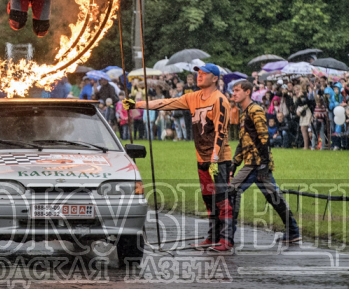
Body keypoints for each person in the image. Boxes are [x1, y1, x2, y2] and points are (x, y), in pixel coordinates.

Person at [125, 63, 233, 252]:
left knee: (222, 201)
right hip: (202, 159)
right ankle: (212, 237)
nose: (199, 76)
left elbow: (221, 131)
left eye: (204, 73)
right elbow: (164, 103)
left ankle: (226, 239)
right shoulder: (192, 97)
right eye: (198, 73)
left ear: (215, 78)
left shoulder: (220, 100)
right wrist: (137, 104)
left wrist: (215, 158)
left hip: (218, 160)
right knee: (209, 200)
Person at [229, 80, 301, 244]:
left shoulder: (255, 110)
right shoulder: (244, 113)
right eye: (233, 91)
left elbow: (264, 138)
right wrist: (234, 163)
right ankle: (293, 232)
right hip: (254, 162)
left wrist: (263, 164)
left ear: (247, 92)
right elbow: (243, 142)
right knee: (274, 197)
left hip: (256, 163)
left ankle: (227, 236)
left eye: (237, 90)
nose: (234, 94)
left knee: (232, 191)